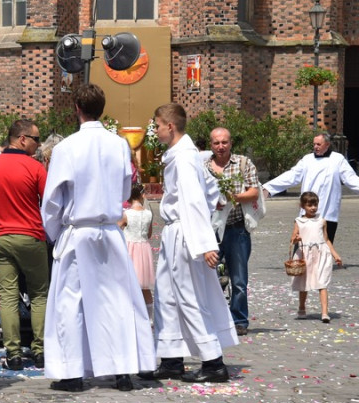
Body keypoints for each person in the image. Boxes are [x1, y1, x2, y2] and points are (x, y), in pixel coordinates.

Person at [40, 85, 155, 392]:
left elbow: (52, 200)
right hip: (109, 230)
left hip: (79, 232)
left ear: (77, 106)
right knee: (117, 300)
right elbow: (122, 191)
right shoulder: (118, 145)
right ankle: (122, 371)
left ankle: (73, 373)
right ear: (102, 108)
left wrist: (55, 234)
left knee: (71, 302)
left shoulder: (67, 148)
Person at [140, 103, 237, 384]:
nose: (155, 130)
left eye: (157, 125)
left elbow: (194, 199)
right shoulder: (184, 155)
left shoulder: (184, 158)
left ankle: (213, 362)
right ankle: (171, 358)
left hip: (185, 232)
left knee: (189, 295)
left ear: (170, 126)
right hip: (175, 232)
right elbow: (211, 189)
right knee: (168, 296)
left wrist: (206, 244)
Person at [0, 119, 50, 370]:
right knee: (39, 294)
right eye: (36, 140)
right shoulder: (35, 167)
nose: (38, 145)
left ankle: (14, 353)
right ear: (22, 139)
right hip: (31, 235)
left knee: (7, 295)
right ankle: (40, 350)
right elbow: (49, 202)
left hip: (1, 236)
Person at [206, 127, 260, 336]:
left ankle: (239, 320)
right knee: (209, 277)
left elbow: (254, 192)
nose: (221, 146)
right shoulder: (203, 167)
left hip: (236, 228)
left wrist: (234, 198)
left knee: (238, 279)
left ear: (231, 143)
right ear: (211, 144)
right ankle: (213, 318)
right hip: (211, 230)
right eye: (217, 143)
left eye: (224, 142)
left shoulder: (243, 163)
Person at [263, 132, 359, 243]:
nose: (315, 147)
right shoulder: (307, 160)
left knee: (325, 247)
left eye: (318, 144)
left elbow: (351, 179)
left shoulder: (338, 160)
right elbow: (292, 176)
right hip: (307, 213)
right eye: (314, 144)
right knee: (303, 247)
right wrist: (268, 188)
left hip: (328, 213)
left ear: (327, 145)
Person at [291, 191, 343, 323]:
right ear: (303, 206)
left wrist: (335, 254)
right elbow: (293, 239)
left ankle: (324, 312)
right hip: (305, 254)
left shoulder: (322, 221)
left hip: (321, 253)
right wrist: (296, 238)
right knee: (304, 283)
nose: (313, 207)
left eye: (315, 204)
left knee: (322, 282)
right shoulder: (299, 221)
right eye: (310, 205)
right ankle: (302, 307)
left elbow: (326, 240)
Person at [118, 183, 155, 314]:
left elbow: (116, 232)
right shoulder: (149, 214)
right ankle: (149, 317)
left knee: (128, 285)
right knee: (145, 288)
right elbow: (149, 234)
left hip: (130, 250)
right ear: (141, 195)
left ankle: (130, 313)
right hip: (144, 251)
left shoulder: (126, 214)